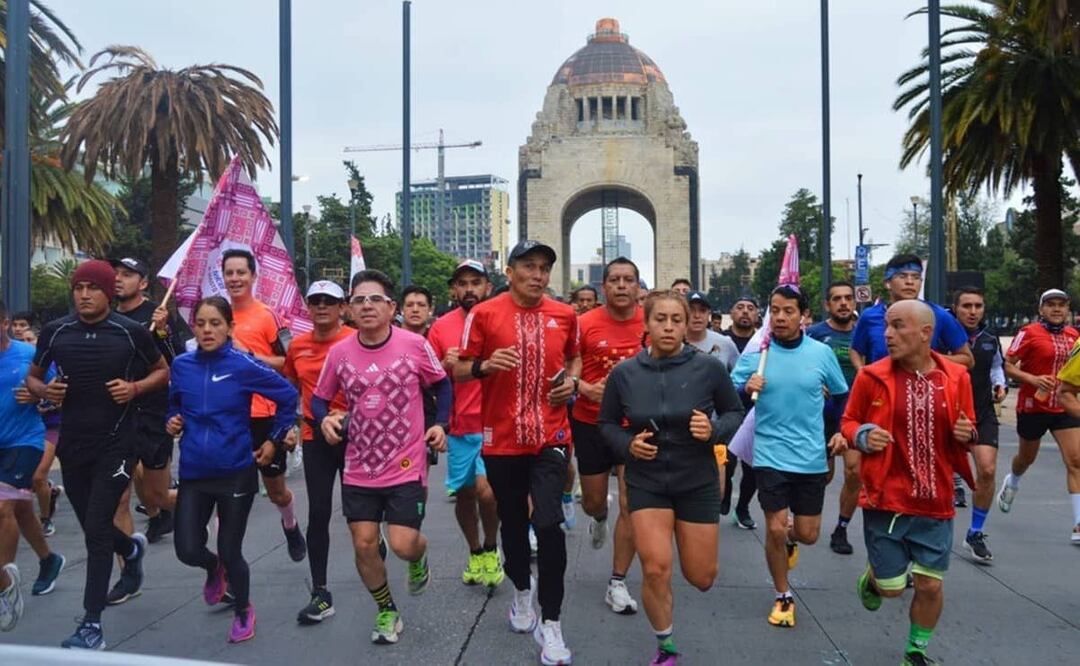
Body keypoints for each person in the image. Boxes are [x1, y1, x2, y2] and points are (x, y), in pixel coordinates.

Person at [25, 260, 170, 650]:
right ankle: (131, 549)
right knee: (95, 528)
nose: (84, 294)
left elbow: (163, 372)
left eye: (93, 287)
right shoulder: (57, 332)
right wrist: (44, 392)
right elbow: (33, 377)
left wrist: (135, 389)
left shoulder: (131, 332)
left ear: (109, 292)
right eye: (79, 287)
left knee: (96, 525)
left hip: (118, 442)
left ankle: (91, 623)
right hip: (73, 443)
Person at [599, 289, 744, 665]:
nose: (668, 326)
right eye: (659, 319)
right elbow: (607, 425)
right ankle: (666, 647)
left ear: (687, 324)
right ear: (646, 324)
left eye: (676, 320)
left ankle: (691, 573)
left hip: (696, 480)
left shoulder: (708, 367)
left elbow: (735, 413)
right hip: (647, 479)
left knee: (702, 577)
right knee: (656, 567)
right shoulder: (624, 373)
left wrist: (712, 429)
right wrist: (629, 445)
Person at [455, 240, 579, 666]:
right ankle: (522, 593)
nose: (538, 275)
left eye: (544, 268)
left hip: (551, 436)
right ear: (509, 272)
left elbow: (575, 359)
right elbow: (457, 367)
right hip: (502, 438)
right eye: (529, 266)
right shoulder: (484, 314)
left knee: (548, 523)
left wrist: (572, 384)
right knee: (512, 522)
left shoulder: (565, 315)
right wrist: (485, 367)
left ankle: (554, 625)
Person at [315, 269, 450, 645]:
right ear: (349, 310)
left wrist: (441, 424)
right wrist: (324, 418)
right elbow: (319, 397)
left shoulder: (413, 345)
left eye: (375, 299)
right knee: (363, 543)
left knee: (405, 544)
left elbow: (442, 383)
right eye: (358, 300)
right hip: (359, 466)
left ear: (392, 307)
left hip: (406, 464)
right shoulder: (339, 353)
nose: (367, 306)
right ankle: (387, 610)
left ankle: (418, 558)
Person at [841, 300, 977, 666]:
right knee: (892, 589)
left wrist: (967, 433)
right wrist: (864, 434)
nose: (888, 334)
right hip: (886, 498)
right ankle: (874, 579)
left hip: (936, 501)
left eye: (898, 326)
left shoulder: (956, 377)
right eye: (887, 326)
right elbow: (850, 421)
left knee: (931, 584)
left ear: (925, 333)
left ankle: (916, 650)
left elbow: (966, 428)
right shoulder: (871, 376)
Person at [166, 296, 298, 643]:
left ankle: (243, 609)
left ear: (229, 328)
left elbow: (287, 395)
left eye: (215, 323)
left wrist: (273, 439)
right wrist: (172, 420)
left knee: (230, 548)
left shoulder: (242, 364)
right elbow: (174, 403)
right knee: (187, 549)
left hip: (236, 469)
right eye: (201, 323)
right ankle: (213, 569)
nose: (207, 330)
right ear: (193, 328)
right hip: (195, 470)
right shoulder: (182, 366)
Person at [730, 285, 848, 628]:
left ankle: (792, 540)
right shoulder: (757, 356)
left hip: (810, 455)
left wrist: (838, 430)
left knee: (807, 533)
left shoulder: (820, 354)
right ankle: (783, 595)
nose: (780, 317)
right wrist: (745, 388)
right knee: (775, 528)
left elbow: (841, 397)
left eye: (788, 311)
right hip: (769, 453)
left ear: (804, 317)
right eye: (775, 310)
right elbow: (730, 396)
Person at [850, 254, 973, 510]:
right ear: (887, 282)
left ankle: (936, 502)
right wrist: (867, 375)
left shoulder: (936, 316)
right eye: (902, 277)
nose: (910, 282)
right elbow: (856, 350)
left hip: (924, 398)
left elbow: (966, 358)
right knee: (856, 470)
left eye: (915, 277)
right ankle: (845, 522)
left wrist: (927, 361)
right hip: (881, 402)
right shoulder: (870, 317)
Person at [221, 249, 306, 562]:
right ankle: (228, 565)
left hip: (265, 416)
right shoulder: (216, 317)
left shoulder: (269, 316)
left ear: (253, 276)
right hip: (229, 417)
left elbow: (289, 361)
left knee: (276, 491)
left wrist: (250, 357)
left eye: (241, 272)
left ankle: (291, 524)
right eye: (229, 273)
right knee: (225, 495)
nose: (235, 279)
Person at [573, 257, 644, 616]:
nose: (620, 285)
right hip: (591, 423)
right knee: (593, 502)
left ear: (637, 286)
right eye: (614, 279)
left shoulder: (651, 321)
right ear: (603, 287)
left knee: (632, 502)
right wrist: (585, 388)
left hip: (637, 427)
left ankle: (617, 581)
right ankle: (600, 517)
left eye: (627, 279)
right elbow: (565, 369)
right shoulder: (583, 323)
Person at [427, 260, 504, 587]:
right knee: (465, 494)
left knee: (488, 493)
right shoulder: (440, 327)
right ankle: (475, 552)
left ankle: (490, 546)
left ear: (487, 286)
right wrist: (443, 366)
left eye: (476, 282)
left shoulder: (503, 319)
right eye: (462, 283)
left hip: (497, 423)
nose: (469, 289)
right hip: (460, 427)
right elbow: (426, 380)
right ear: (453, 290)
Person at [283, 281, 355, 624]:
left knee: (359, 513)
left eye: (330, 301)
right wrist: (291, 426)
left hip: (357, 436)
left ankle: (376, 537)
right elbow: (291, 388)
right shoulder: (297, 347)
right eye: (315, 302)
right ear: (308, 308)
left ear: (343, 308)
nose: (322, 307)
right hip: (315, 437)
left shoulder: (356, 341)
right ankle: (321, 593)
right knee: (320, 513)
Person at [110, 257, 188, 558]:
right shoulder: (106, 318)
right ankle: (128, 570)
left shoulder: (157, 314)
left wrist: (164, 333)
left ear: (142, 283)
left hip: (154, 414)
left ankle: (198, 508)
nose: (118, 279)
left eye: (127, 274)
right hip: (116, 417)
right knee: (118, 499)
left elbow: (177, 362)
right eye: (115, 273)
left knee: (157, 493)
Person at [0, 300, 67, 633]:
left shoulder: (27, 356)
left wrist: (37, 397)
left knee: (3, 506)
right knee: (21, 509)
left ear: (6, 323)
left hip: (24, 441)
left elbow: (57, 393)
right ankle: (48, 559)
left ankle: (4, 584)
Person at [999, 288, 1080, 542]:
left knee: (1076, 460)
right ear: (1041, 309)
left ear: (1068, 309)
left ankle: (1079, 523)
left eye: (1062, 305)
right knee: (1026, 458)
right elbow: (1008, 364)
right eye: (1051, 305)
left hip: (1064, 407)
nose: (1057, 309)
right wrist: (1032, 379)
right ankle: (1013, 480)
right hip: (1033, 405)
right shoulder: (1029, 333)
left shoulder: (1074, 335)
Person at [952, 287, 1007, 561]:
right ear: (956, 309)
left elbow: (997, 366)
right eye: (966, 306)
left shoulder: (989, 337)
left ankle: (975, 531)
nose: (973, 312)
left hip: (982, 412)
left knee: (987, 470)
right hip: (949, 413)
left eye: (978, 306)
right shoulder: (943, 335)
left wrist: (1000, 383)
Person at [806, 281, 860, 556]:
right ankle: (803, 519)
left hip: (853, 412)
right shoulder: (815, 333)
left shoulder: (864, 333)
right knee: (823, 476)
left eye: (848, 298)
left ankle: (841, 528)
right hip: (821, 414)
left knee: (855, 472)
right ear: (827, 304)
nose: (843, 303)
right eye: (837, 299)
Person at [721, 296, 761, 529]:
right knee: (726, 459)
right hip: (729, 410)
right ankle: (723, 495)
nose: (745, 312)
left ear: (757, 315)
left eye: (751, 308)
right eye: (740, 307)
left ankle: (743, 507)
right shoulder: (723, 342)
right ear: (731, 312)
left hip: (757, 411)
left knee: (753, 466)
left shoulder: (764, 342)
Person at [685, 291, 738, 370]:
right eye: (691, 310)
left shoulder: (726, 343)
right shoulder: (673, 344)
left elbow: (740, 376)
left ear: (709, 314)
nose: (697, 316)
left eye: (702, 310)